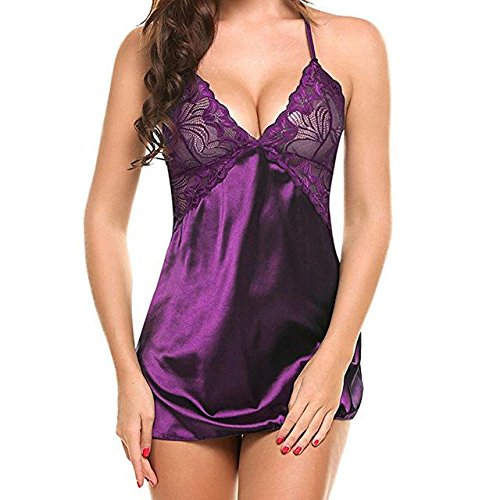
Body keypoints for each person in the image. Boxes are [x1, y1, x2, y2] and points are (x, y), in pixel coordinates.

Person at [84, 0, 391, 497]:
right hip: (184, 363)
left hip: (307, 357)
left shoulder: (352, 44)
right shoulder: (151, 47)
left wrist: (334, 357)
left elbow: (370, 218)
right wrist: (126, 373)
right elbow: (105, 220)